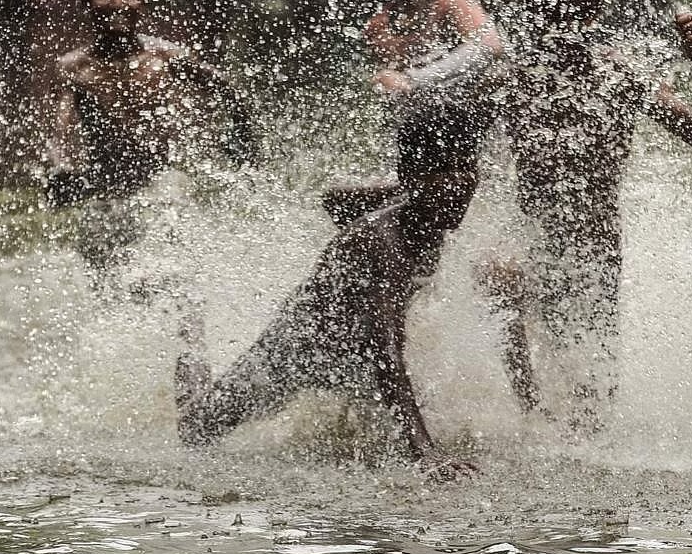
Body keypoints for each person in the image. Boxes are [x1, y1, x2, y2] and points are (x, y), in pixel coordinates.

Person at [480, 0, 692, 429]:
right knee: (499, 273)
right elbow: (469, 162)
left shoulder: (620, 72)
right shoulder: (509, 75)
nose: (561, 9)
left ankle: (586, 433)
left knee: (592, 383)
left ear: (596, 4)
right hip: (528, 228)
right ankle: (529, 420)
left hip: (594, 239)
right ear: (530, 5)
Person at [175, 163, 480, 482]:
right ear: (415, 177)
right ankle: (190, 332)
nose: (460, 189)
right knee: (194, 427)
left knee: (413, 415)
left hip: (355, 360)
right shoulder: (384, 241)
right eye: (445, 176)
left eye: (468, 172)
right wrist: (425, 452)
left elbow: (335, 200)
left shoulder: (428, 211)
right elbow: (385, 353)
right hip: (298, 351)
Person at [45, 0, 254, 289]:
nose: (117, 4)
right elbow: (60, 129)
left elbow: (228, 90)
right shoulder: (74, 69)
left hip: (164, 186)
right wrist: (60, 168)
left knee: (176, 278)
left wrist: (242, 141)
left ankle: (191, 340)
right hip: (106, 194)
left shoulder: (167, 58)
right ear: (86, 1)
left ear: (143, 1)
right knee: (108, 288)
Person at [324, 0, 501, 221]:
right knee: (340, 201)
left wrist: (415, 79)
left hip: (471, 142)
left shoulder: (450, 1)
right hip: (421, 144)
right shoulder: (379, 27)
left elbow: (488, 47)